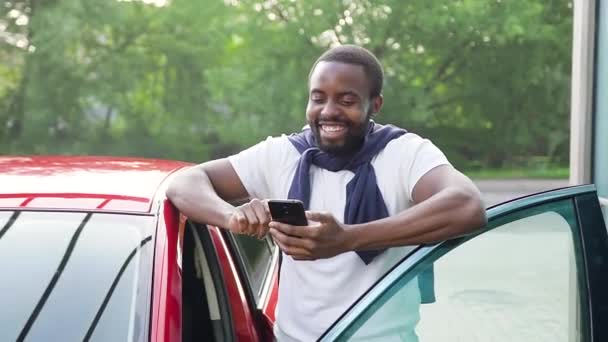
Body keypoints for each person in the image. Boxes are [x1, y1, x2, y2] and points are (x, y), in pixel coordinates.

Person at [166, 44, 486, 341]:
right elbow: (184, 183)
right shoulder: (282, 154)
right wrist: (232, 216)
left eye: (346, 101)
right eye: (318, 98)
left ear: (374, 104)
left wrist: (348, 238)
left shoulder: (405, 153)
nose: (328, 111)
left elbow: (467, 206)